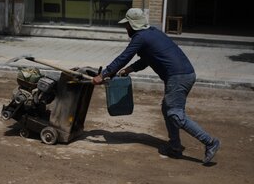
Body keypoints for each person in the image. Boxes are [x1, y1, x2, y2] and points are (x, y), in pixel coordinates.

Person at [92, 8, 220, 164]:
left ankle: (210, 142)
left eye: (127, 25)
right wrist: (129, 69)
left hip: (178, 77)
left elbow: (123, 57)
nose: (126, 28)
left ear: (132, 25)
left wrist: (103, 74)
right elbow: (148, 59)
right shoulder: (152, 33)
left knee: (175, 113)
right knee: (168, 109)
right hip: (182, 75)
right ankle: (174, 147)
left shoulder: (140, 37)